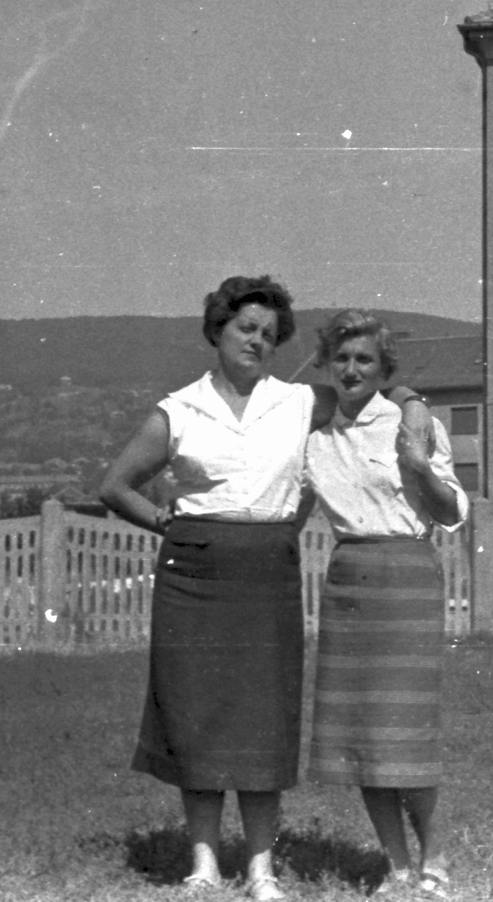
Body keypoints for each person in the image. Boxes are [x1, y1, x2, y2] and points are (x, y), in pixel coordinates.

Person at [98, 278, 433, 899]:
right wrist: (163, 522)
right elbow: (115, 485)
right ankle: (202, 865)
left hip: (266, 569)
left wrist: (413, 405)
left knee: (263, 718)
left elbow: (374, 390)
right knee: (195, 716)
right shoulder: (180, 409)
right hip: (192, 573)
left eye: (268, 334)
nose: (257, 341)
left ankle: (260, 868)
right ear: (217, 331)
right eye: (245, 329)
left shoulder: (301, 401)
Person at [303, 310, 468, 898]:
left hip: (407, 575)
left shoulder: (412, 422)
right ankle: (396, 866)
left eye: (364, 359)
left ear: (383, 368)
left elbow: (449, 513)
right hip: (347, 577)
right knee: (360, 734)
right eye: (342, 358)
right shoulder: (313, 431)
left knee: (406, 731)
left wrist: (419, 464)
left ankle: (437, 860)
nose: (351, 370)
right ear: (327, 364)